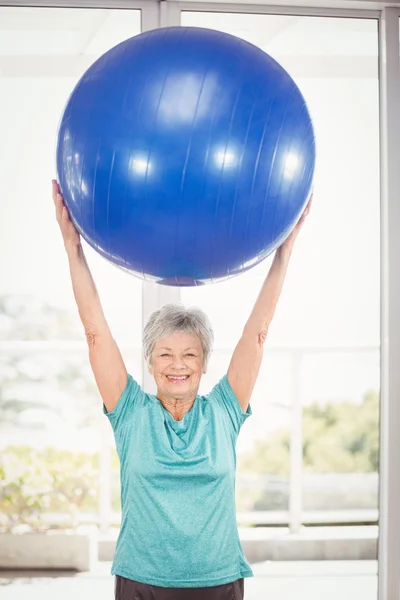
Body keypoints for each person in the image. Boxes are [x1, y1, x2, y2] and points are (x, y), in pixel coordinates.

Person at [52, 179, 312, 600]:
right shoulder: (131, 411)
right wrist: (73, 250)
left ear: (204, 363)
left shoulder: (225, 410)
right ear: (149, 362)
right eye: (165, 354)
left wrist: (284, 252)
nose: (177, 365)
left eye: (190, 355)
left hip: (217, 580)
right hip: (142, 580)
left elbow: (258, 332)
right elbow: (95, 332)